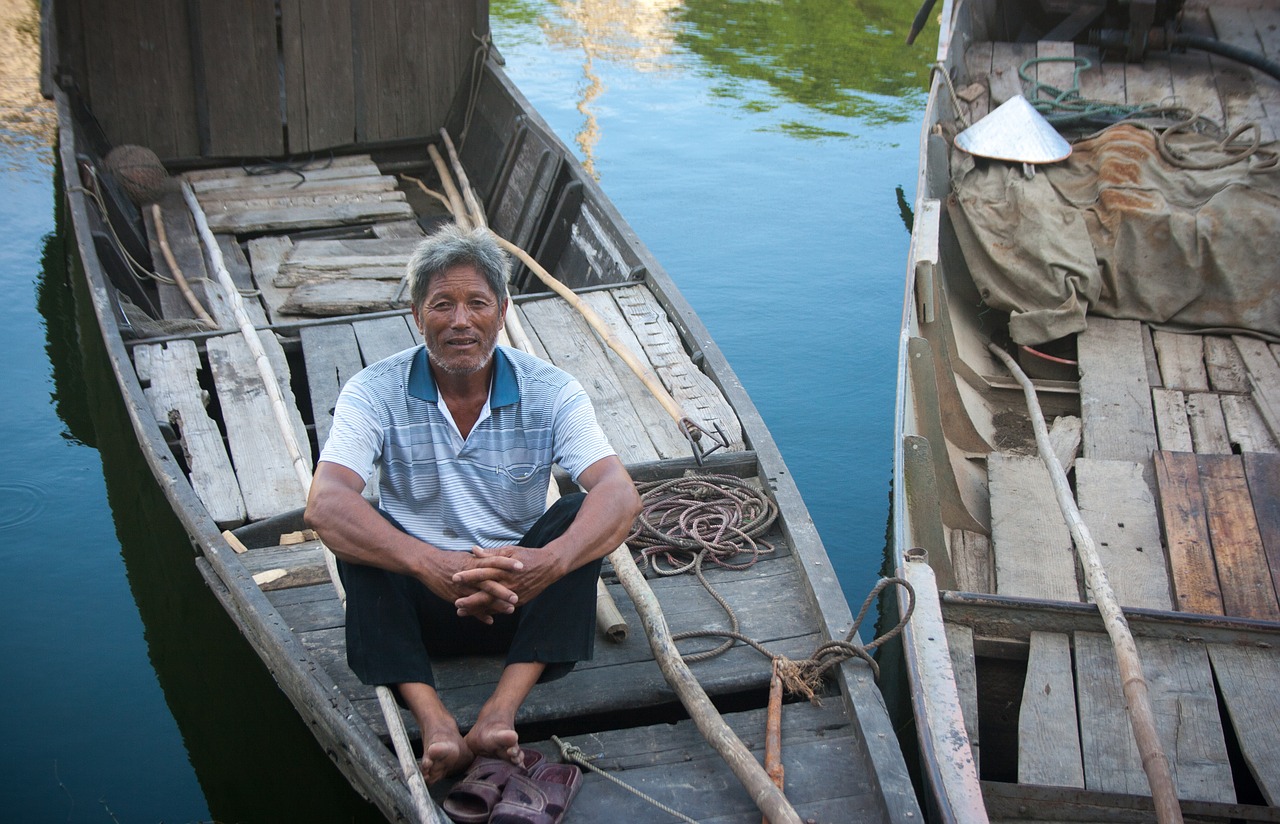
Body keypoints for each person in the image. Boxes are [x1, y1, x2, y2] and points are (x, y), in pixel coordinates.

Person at [304, 223, 641, 785]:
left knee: (580, 515)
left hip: (518, 597)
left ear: (502, 310)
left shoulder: (552, 389)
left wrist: (545, 564)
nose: (460, 321)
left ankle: (497, 713)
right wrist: (426, 563)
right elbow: (324, 504)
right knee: (359, 529)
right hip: (422, 603)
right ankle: (434, 720)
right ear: (417, 314)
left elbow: (621, 494)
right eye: (442, 304)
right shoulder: (372, 389)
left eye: (477, 303)